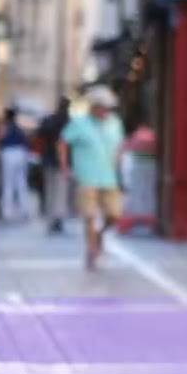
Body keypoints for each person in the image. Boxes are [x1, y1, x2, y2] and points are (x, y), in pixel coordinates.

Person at [59, 86, 125, 270]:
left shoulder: (115, 123)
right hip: (87, 177)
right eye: (102, 107)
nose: (106, 111)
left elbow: (119, 145)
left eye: (108, 107)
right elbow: (63, 142)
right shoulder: (79, 123)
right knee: (89, 216)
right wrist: (65, 166)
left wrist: (119, 163)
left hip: (109, 177)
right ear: (94, 107)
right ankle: (92, 250)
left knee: (114, 214)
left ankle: (99, 235)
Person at [37, 96, 73, 234]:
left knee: (51, 191)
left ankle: (52, 218)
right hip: (61, 161)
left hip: (49, 160)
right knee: (60, 191)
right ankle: (57, 219)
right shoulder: (68, 122)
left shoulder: (49, 120)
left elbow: (40, 134)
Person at [0, 107, 31, 222]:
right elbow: (26, 141)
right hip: (21, 153)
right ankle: (24, 210)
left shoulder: (5, 127)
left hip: (8, 153)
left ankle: (7, 212)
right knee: (21, 183)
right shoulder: (18, 128)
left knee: (8, 183)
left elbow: (0, 139)